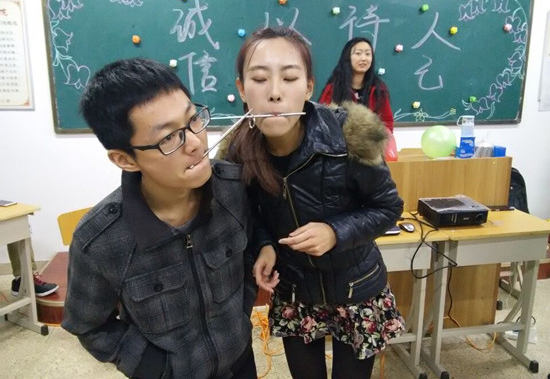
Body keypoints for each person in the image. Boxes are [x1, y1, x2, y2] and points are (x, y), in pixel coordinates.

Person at [218, 27, 405, 379]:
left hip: (356, 286)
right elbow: (251, 215)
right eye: (259, 79)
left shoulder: (349, 136)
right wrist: (265, 246)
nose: (275, 93)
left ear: (308, 87)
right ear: (242, 89)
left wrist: (335, 231)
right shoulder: (239, 152)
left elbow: (388, 208)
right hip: (295, 290)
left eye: (289, 78)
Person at [62, 58, 261, 379]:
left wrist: (239, 317)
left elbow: (249, 256)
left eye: (193, 119)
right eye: (168, 138)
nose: (195, 143)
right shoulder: (99, 241)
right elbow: (87, 325)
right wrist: (154, 367)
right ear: (125, 159)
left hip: (240, 362)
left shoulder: (233, 189)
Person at [318, 37, 394, 132]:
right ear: (347, 57)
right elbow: (321, 120)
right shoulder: (334, 88)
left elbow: (387, 123)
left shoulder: (378, 89)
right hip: (339, 139)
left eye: (367, 54)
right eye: (358, 53)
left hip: (370, 140)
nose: (363, 58)